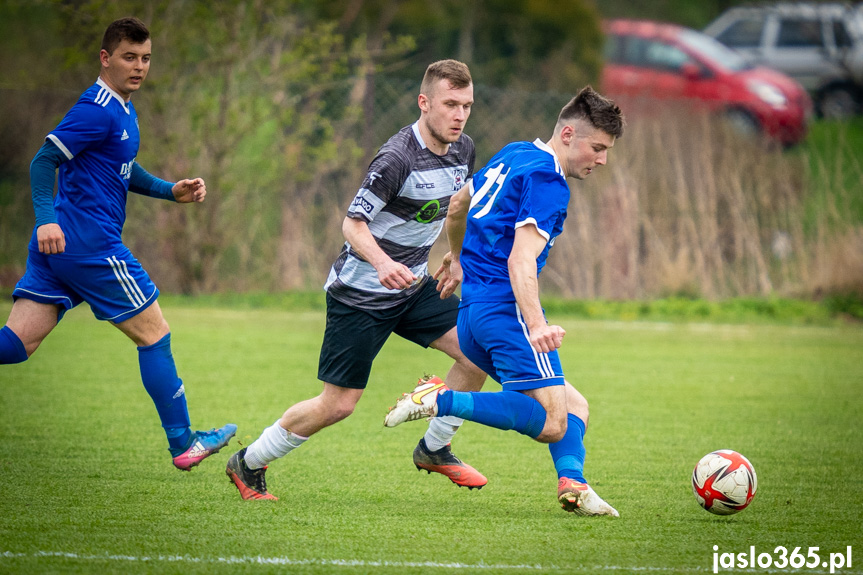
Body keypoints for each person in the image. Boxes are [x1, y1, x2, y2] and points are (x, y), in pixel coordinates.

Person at [226, 60, 488, 500]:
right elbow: (352, 225)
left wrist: (455, 258)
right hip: (361, 294)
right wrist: (383, 264)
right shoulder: (396, 157)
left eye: (466, 105)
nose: (459, 115)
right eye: (450, 104)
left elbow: (457, 207)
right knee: (339, 405)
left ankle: (434, 447)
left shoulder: (464, 150)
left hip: (414, 286)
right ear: (424, 103)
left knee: (476, 355)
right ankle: (248, 462)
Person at [0, 17, 236, 470]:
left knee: (16, 345)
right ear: (105, 58)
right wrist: (46, 219)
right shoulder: (96, 110)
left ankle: (183, 440)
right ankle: (183, 442)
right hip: (90, 247)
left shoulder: (123, 109)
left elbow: (123, 169)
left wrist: (171, 191)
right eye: (129, 57)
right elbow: (42, 161)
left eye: (146, 58)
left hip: (60, 251)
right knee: (155, 335)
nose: (140, 67)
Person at [384, 86, 625, 516]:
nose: (602, 159)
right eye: (598, 147)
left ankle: (574, 484)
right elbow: (521, 259)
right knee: (553, 422)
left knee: (574, 407)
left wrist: (457, 257)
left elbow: (458, 204)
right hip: (505, 313)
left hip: (473, 312)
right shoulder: (549, 181)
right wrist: (535, 324)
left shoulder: (515, 153)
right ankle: (439, 399)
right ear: (568, 134)